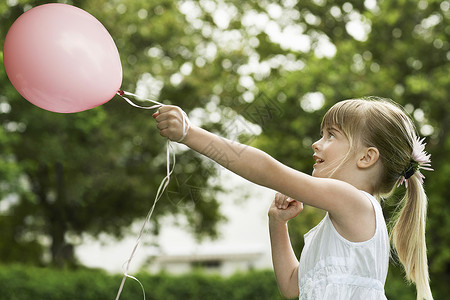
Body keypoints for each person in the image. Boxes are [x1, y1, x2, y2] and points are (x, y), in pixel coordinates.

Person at [153, 97, 433, 299]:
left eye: (331, 135)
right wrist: (277, 224)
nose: (317, 143)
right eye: (321, 134)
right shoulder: (341, 223)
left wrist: (190, 134)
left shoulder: (354, 201)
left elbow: (266, 170)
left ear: (367, 157)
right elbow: (292, 286)